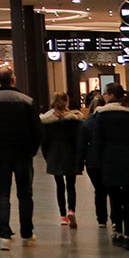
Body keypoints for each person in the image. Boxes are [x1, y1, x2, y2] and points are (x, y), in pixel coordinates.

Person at [0, 67, 42, 243]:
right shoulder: (27, 101)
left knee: (2, 194)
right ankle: (27, 233)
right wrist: (32, 150)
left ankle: (4, 233)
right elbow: (36, 129)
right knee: (25, 194)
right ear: (13, 80)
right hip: (22, 155)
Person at [83, 88, 129, 249]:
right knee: (128, 198)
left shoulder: (102, 116)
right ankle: (128, 235)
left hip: (109, 161)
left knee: (114, 198)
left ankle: (117, 232)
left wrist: (99, 162)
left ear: (111, 96)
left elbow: (97, 142)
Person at [40, 93, 85, 227]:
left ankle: (63, 215)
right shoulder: (74, 120)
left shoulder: (47, 121)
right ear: (67, 102)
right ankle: (72, 210)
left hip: (54, 155)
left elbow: (44, 142)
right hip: (70, 154)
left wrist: (47, 157)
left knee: (59, 186)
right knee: (71, 186)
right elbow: (79, 140)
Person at [79, 90, 109, 227]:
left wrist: (80, 162)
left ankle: (101, 219)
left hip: (92, 162)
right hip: (108, 159)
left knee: (99, 191)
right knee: (112, 190)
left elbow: (82, 145)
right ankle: (115, 219)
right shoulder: (108, 120)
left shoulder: (86, 123)